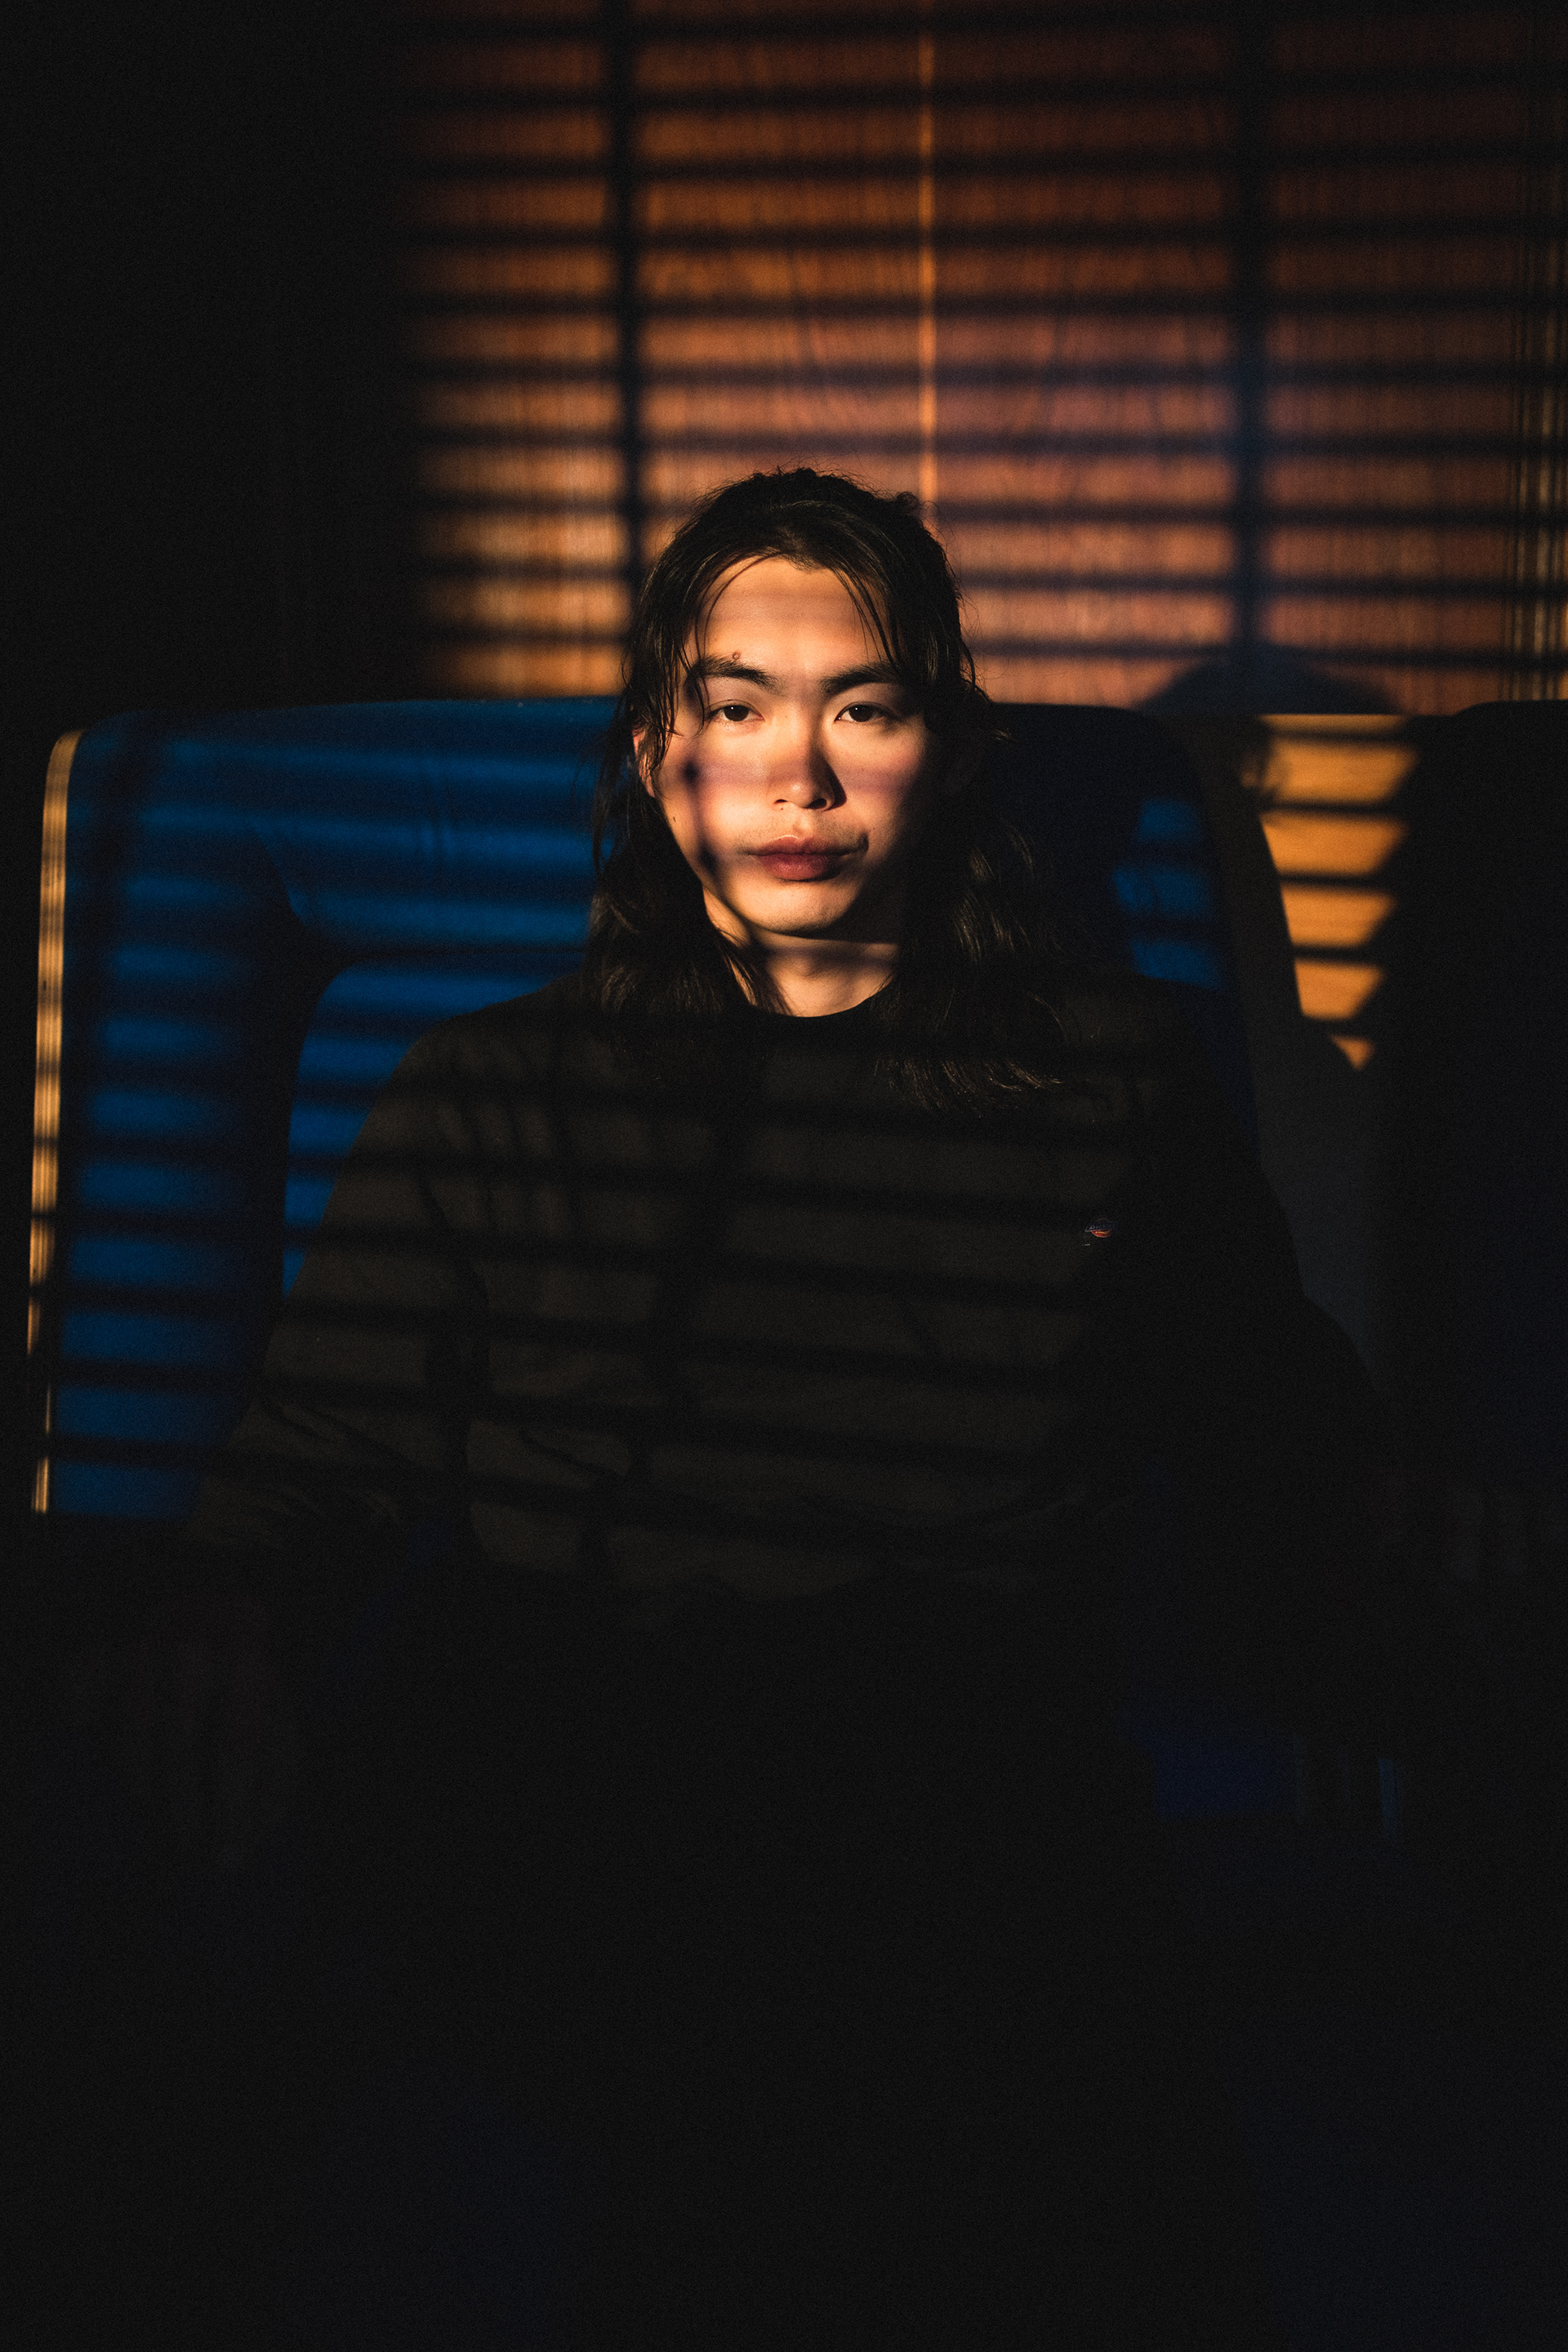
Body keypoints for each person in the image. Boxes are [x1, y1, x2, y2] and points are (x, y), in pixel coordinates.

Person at [141, 470, 1400, 2345]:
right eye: (740, 710)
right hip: (592, 1797)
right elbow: (313, 1467)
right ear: (666, 766)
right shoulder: (489, 1093)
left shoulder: (1107, 1085)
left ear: (944, 756)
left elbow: (1271, 1430)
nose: (798, 779)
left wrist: (1420, 1545)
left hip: (973, 1825)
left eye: (860, 710)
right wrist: (222, 1626)